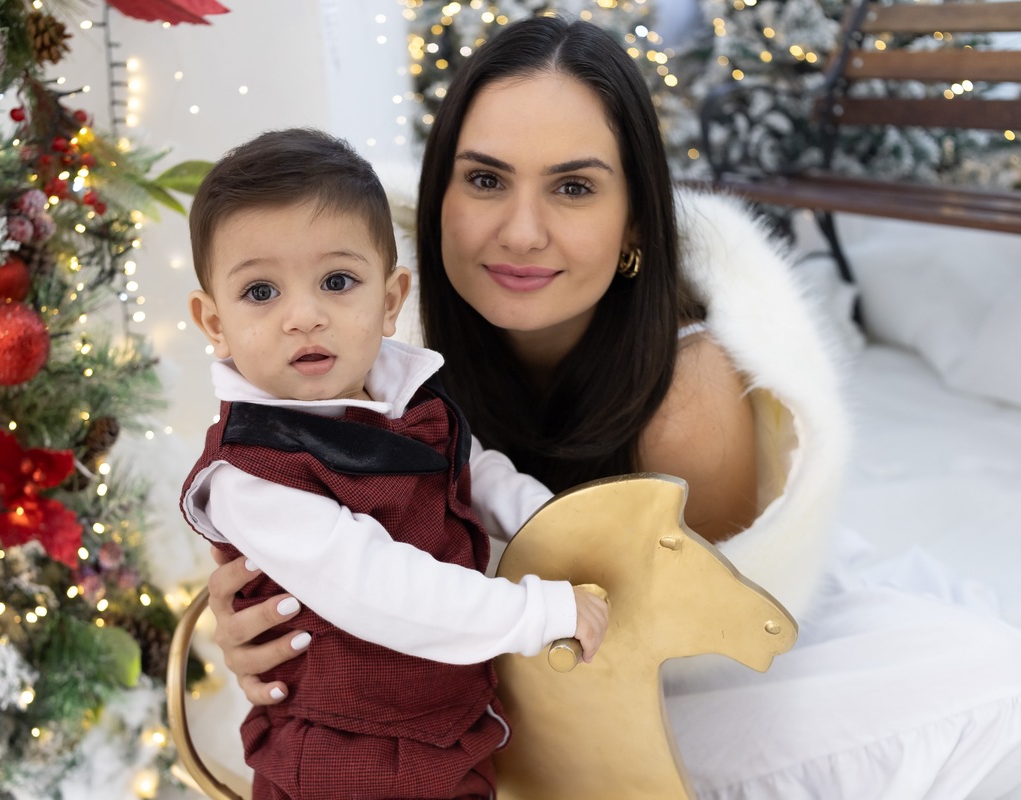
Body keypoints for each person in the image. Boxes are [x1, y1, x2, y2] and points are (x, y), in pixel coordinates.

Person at [205, 17, 1021, 800]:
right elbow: (309, 521)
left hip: (641, 675)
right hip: (470, 662)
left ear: (633, 220)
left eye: (573, 187)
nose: (521, 232)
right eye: (486, 179)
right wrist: (265, 631)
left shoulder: (687, 396)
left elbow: (677, 669)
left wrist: (398, 639)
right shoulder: (358, 322)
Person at [180, 127, 608, 800]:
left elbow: (476, 473)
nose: (304, 316)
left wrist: (560, 522)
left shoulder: (403, 398)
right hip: (344, 757)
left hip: (447, 727)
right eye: (261, 292)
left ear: (388, 301)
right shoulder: (251, 475)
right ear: (214, 322)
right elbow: (377, 586)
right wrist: (534, 613)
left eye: (337, 281)